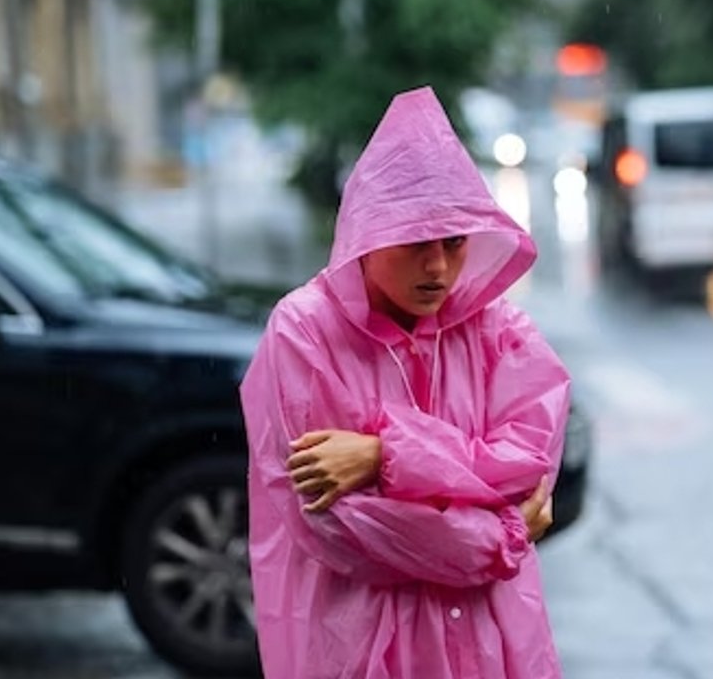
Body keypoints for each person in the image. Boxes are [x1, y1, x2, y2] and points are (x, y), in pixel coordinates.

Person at [239, 86, 571, 678]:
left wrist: (384, 455)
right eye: (416, 244)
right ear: (367, 237)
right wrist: (501, 534)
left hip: (492, 651)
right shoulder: (304, 334)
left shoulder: (498, 331)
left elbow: (529, 467)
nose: (438, 268)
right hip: (360, 652)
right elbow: (336, 526)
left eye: (453, 242)